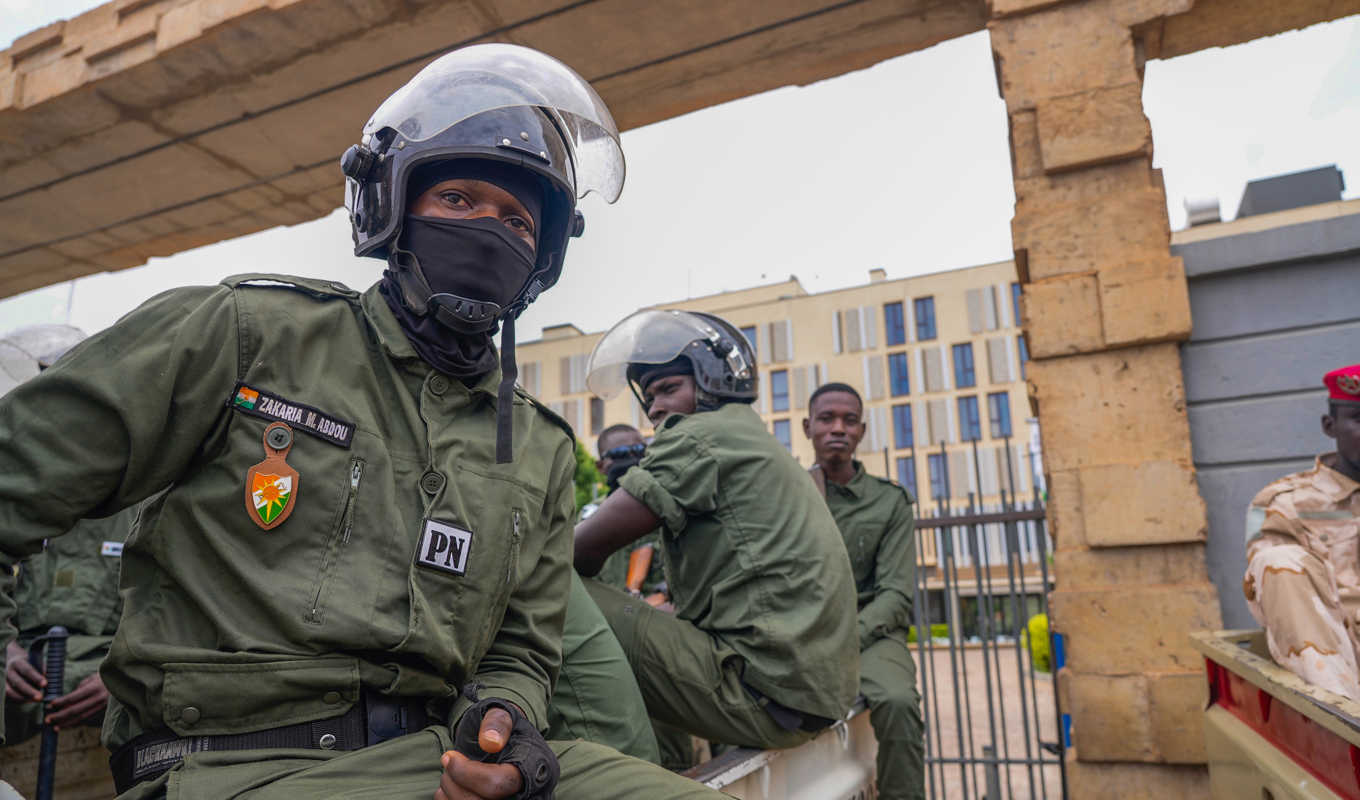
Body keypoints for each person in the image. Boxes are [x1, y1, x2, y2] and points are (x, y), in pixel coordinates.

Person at [0, 44, 726, 800]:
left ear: (541, 257)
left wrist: (503, 721)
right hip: (225, 765)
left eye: (516, 219)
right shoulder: (242, 336)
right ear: (390, 205)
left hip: (435, 759)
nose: (489, 227)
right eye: (458, 199)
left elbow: (521, 647)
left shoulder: (538, 447)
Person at [573, 309, 860, 754]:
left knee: (551, 587)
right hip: (803, 695)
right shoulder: (748, 437)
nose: (655, 408)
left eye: (669, 388)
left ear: (713, 384)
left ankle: (618, 775)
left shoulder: (699, 437)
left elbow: (579, 552)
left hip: (763, 694)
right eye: (649, 398)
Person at [2, 330, 136, 744]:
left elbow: (181, 613)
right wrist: (3, 650)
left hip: (115, 683)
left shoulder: (148, 499)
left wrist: (127, 676)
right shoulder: (11, 496)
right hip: (21, 682)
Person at [803, 382, 925, 800]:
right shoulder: (787, 495)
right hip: (801, 634)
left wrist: (844, 639)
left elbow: (895, 594)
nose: (838, 428)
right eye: (826, 419)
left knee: (897, 701)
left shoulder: (888, 502)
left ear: (861, 431)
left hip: (871, 635)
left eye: (849, 420)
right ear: (808, 427)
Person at [1244, 364, 1360, 701]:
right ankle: (1346, 722)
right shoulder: (1282, 503)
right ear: (1330, 426)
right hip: (1340, 663)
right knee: (1276, 560)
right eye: (1359, 419)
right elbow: (1274, 596)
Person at [589, 425, 665, 598]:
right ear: (600, 466)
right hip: (607, 614)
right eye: (619, 454)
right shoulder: (590, 515)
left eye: (639, 450)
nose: (632, 458)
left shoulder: (667, 503)